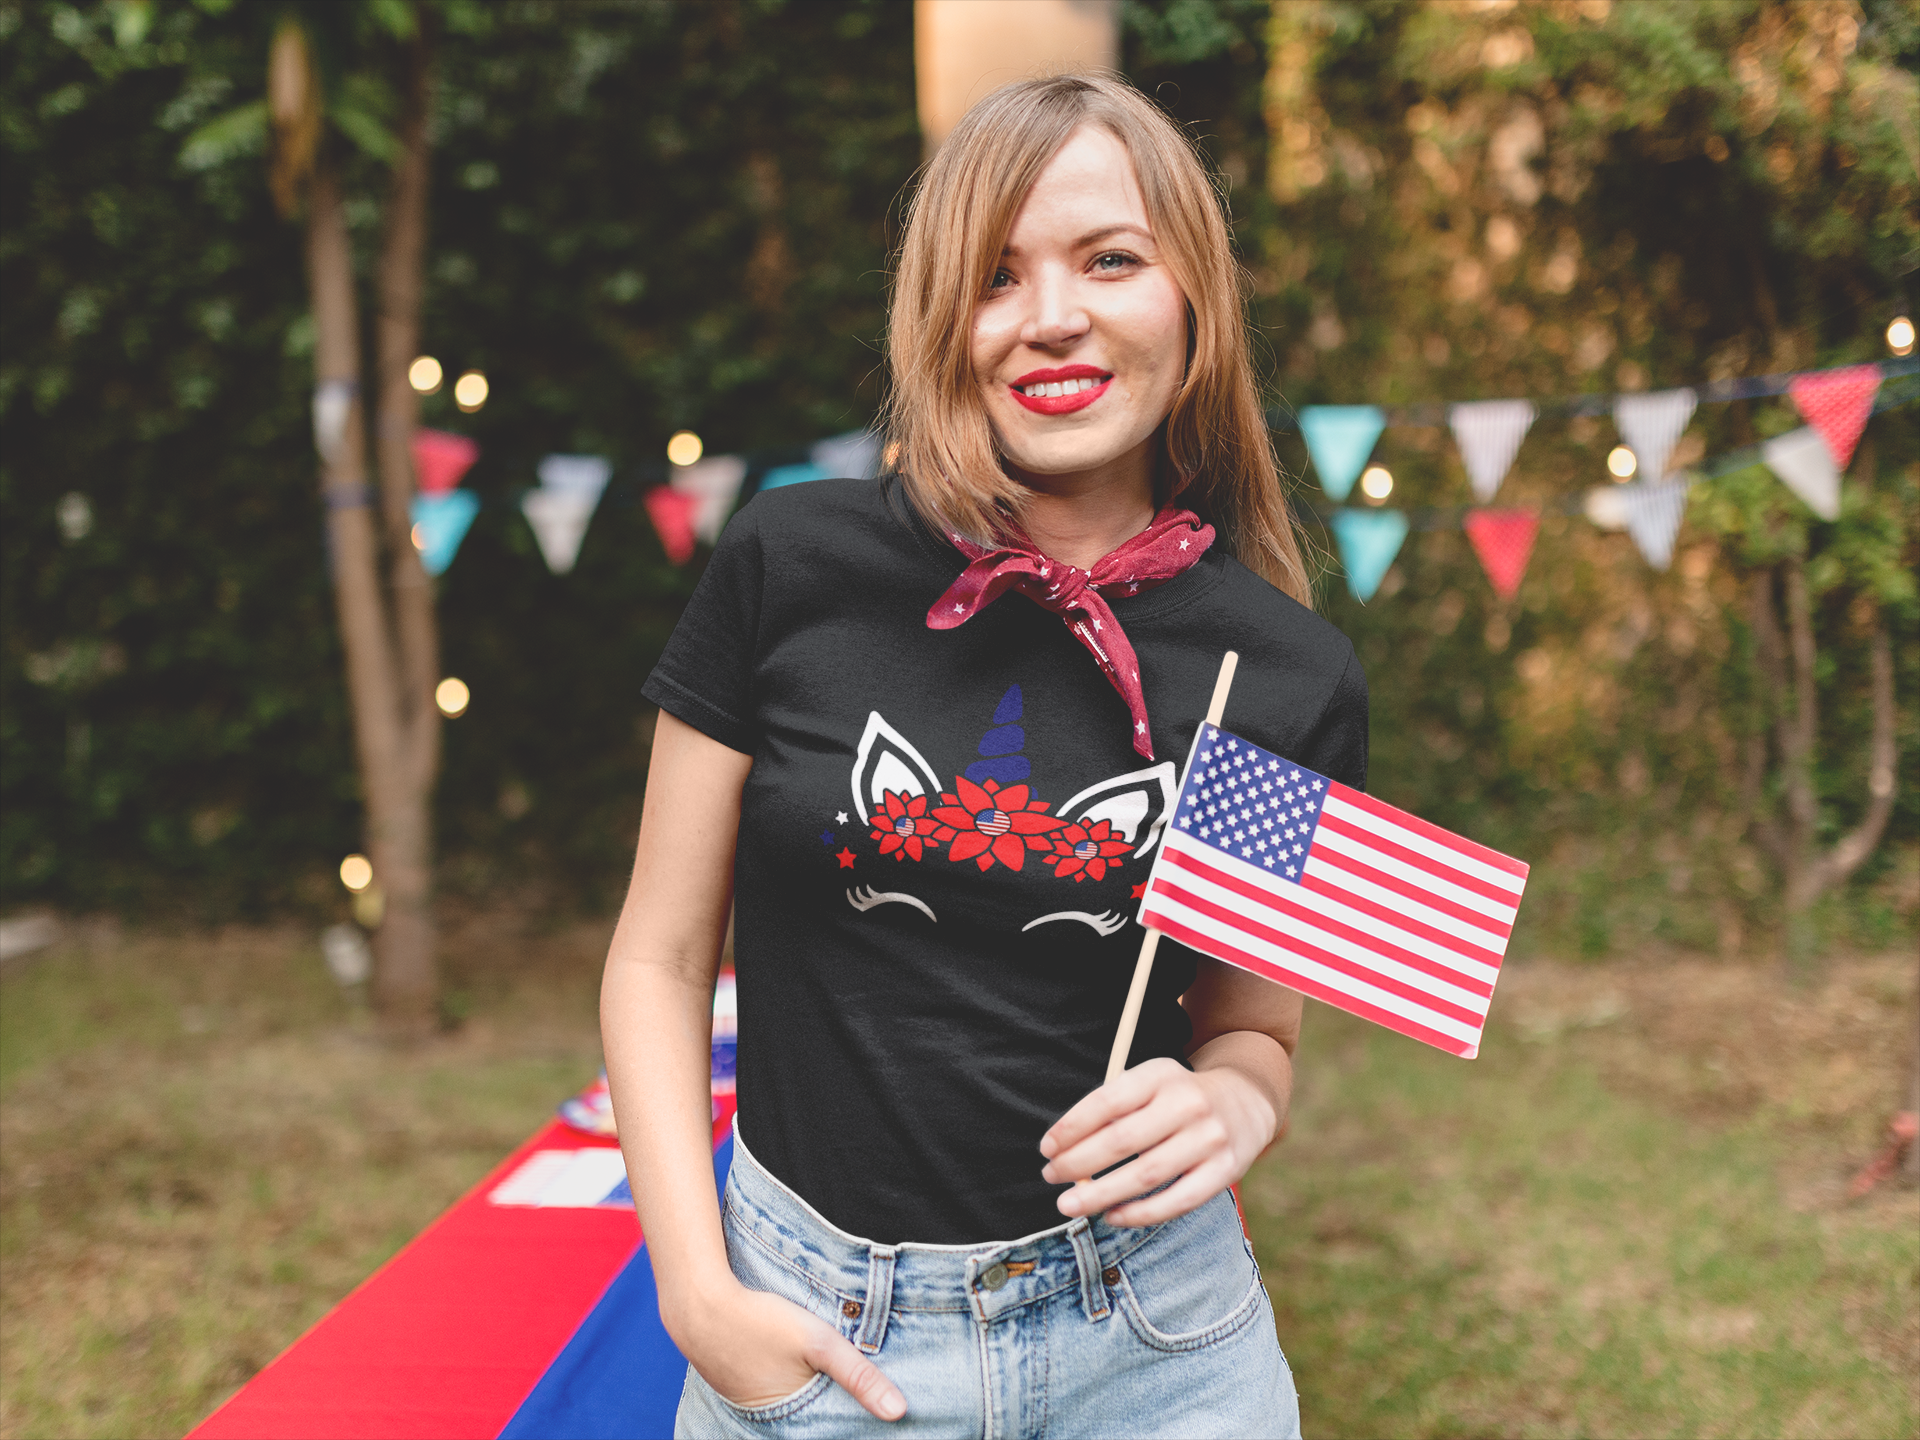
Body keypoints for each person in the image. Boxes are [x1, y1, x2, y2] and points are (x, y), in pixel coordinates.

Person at [602, 73, 1366, 1439]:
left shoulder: (1281, 669)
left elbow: (1251, 1031)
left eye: (1110, 260)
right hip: (819, 1343)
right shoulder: (791, 564)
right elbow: (657, 959)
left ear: (1194, 299)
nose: (1051, 316)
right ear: (940, 317)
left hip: (1158, 1346)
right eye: (995, 276)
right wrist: (696, 1294)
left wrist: (1238, 1107)